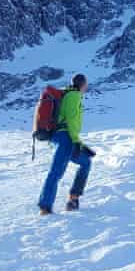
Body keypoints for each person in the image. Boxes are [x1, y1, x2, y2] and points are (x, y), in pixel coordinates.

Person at [37, 73, 94, 214]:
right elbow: (71, 121)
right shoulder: (74, 96)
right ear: (83, 84)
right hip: (65, 138)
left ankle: (73, 199)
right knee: (56, 173)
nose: (87, 87)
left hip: (63, 137)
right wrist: (77, 142)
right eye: (86, 84)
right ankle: (45, 207)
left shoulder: (68, 94)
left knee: (86, 162)